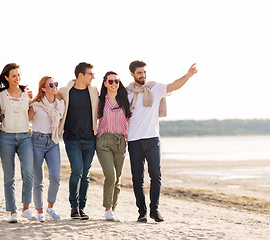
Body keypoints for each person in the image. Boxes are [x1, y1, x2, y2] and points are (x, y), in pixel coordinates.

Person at [126, 60, 197, 223]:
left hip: (152, 138)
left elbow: (173, 85)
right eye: (139, 73)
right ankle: (142, 212)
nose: (142, 75)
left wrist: (187, 76)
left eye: (144, 72)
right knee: (137, 178)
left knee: (156, 175)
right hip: (134, 140)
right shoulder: (126, 92)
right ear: (132, 74)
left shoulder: (155, 88)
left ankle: (154, 210)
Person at [57, 62, 99, 220]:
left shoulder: (94, 91)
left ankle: (82, 207)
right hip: (72, 138)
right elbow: (48, 100)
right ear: (80, 75)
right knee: (77, 170)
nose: (93, 77)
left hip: (90, 139)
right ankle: (74, 206)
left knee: (85, 174)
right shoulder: (65, 91)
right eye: (90, 74)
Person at [0, 63, 36, 223]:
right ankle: (12, 211)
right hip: (6, 138)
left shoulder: (27, 93)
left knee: (28, 172)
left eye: (19, 75)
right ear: (6, 77)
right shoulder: (0, 95)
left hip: (25, 137)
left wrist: (34, 100)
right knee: (9, 176)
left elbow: (30, 116)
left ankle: (26, 208)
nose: (17, 78)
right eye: (13, 76)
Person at [28, 76, 65, 222]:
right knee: (38, 180)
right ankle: (40, 211)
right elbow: (27, 120)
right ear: (43, 88)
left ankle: (51, 207)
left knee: (55, 177)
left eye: (55, 84)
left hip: (53, 141)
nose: (54, 86)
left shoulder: (60, 104)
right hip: (37, 141)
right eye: (51, 84)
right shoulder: (36, 104)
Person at [96, 71, 131, 222]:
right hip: (103, 141)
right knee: (110, 176)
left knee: (118, 179)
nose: (114, 84)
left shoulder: (125, 100)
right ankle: (107, 209)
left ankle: (113, 209)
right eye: (110, 81)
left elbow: (130, 121)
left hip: (120, 142)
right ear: (105, 83)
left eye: (116, 81)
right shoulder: (99, 101)